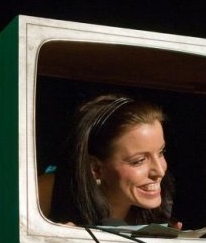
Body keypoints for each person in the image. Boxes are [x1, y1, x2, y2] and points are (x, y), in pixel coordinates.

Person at [42, 94, 181, 229]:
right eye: (139, 161)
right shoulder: (47, 192)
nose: (160, 171)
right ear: (96, 168)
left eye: (161, 152)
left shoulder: (163, 208)